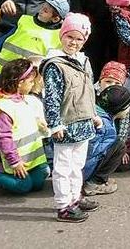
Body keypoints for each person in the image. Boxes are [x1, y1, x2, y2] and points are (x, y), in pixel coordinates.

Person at [42, 13, 102, 223]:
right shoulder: (55, 65)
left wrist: (94, 114)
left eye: (79, 39)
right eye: (70, 37)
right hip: (65, 125)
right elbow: (51, 97)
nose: (74, 42)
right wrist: (54, 123)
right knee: (63, 167)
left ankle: (75, 197)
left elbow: (89, 91)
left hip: (83, 123)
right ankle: (63, 205)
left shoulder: (83, 60)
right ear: (62, 35)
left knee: (77, 165)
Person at [0, 0, 69, 132]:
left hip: (26, 81)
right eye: (43, 7)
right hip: (2, 72)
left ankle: (12, 142)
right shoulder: (25, 20)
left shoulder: (58, 36)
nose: (42, 10)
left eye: (47, 11)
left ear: (56, 18)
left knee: (21, 111)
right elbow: (3, 40)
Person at [0, 59, 49, 198]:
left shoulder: (28, 100)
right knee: (23, 186)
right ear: (19, 83)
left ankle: (11, 179)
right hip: (12, 158)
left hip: (30, 156)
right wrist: (15, 162)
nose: (33, 85)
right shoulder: (4, 108)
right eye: (30, 82)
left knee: (38, 182)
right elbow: (4, 138)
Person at [82, 85, 130, 196]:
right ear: (120, 109)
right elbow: (93, 154)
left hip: (71, 166)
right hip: (82, 170)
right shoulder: (106, 126)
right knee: (119, 146)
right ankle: (94, 182)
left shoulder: (92, 110)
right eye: (129, 106)